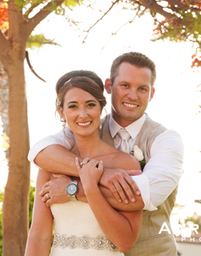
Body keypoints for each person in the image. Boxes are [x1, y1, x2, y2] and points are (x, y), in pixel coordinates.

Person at [28, 52, 184, 256]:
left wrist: (72, 189)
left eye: (142, 89)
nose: (132, 95)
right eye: (125, 85)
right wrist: (100, 173)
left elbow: (143, 195)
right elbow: (40, 151)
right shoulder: (78, 132)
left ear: (151, 93)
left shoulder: (165, 140)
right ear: (109, 87)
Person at [26, 75, 142, 255]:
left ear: (102, 108)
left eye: (90, 104)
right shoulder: (51, 165)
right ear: (61, 112)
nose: (83, 114)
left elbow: (125, 242)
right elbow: (39, 235)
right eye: (73, 106)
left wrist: (87, 186)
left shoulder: (124, 163)